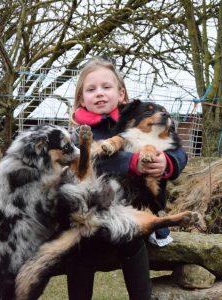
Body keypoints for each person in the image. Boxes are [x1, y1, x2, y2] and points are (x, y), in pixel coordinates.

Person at [67, 57, 188, 300]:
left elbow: (176, 148)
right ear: (81, 99)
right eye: (91, 90)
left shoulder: (138, 119)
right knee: (79, 245)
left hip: (133, 210)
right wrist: (132, 162)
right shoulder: (77, 134)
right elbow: (93, 159)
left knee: (130, 236)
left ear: (121, 94)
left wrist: (168, 162)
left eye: (106, 87)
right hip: (92, 212)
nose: (99, 94)